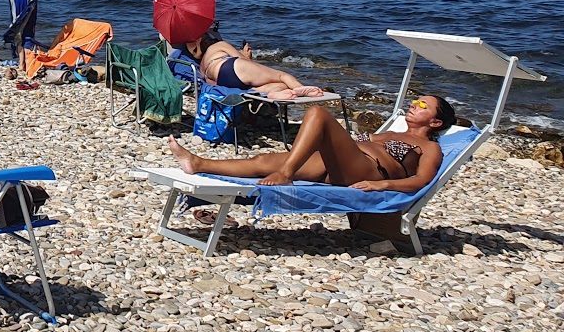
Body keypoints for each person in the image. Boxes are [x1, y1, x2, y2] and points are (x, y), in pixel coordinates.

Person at [168, 95, 455, 189]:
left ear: (436, 123)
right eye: (415, 100)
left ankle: (287, 174)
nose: (414, 105)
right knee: (263, 161)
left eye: (422, 105)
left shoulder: (431, 148)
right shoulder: (390, 133)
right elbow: (355, 141)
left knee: (317, 112)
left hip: (368, 171)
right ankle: (197, 163)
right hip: (345, 160)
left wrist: (382, 185)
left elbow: (421, 181)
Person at [179, 30, 325, 99]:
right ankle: (301, 89)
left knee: (279, 86)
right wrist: (246, 55)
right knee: (282, 75)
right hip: (230, 67)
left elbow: (196, 53)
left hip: (219, 80)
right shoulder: (219, 45)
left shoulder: (201, 64)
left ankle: (275, 93)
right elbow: (243, 61)